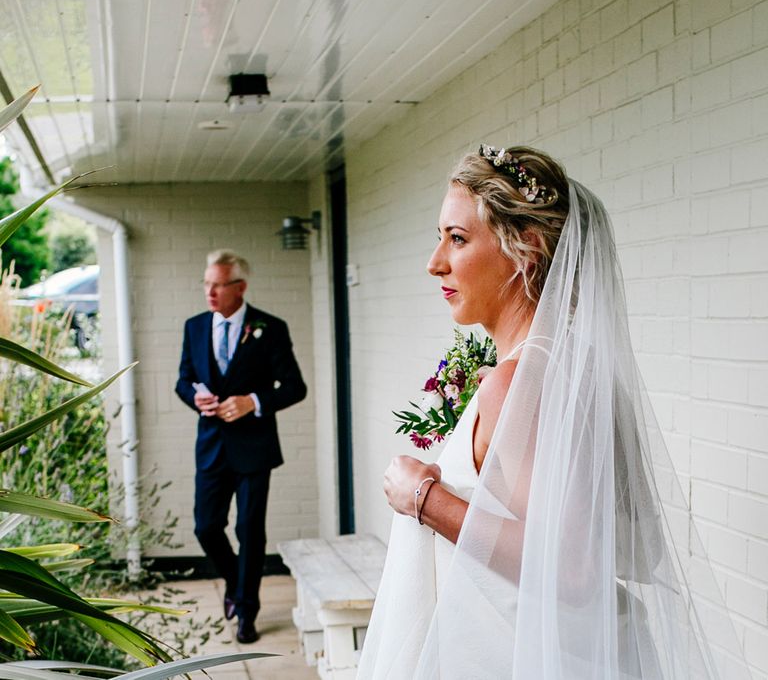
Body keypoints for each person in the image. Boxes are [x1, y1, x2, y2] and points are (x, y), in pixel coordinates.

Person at [357, 147, 750, 678]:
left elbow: (574, 567)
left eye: (457, 238)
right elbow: (633, 545)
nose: (436, 263)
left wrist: (422, 498)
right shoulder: (575, 367)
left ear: (527, 247)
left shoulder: (521, 382)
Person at [175, 249, 306, 644]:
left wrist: (254, 401)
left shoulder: (270, 327)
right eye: (206, 283)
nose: (210, 292)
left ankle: (247, 612)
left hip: (254, 448)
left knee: (250, 530)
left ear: (240, 287)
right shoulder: (195, 327)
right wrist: (193, 398)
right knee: (206, 527)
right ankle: (236, 585)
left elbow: (295, 387)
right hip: (212, 446)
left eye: (218, 284)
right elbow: (183, 380)